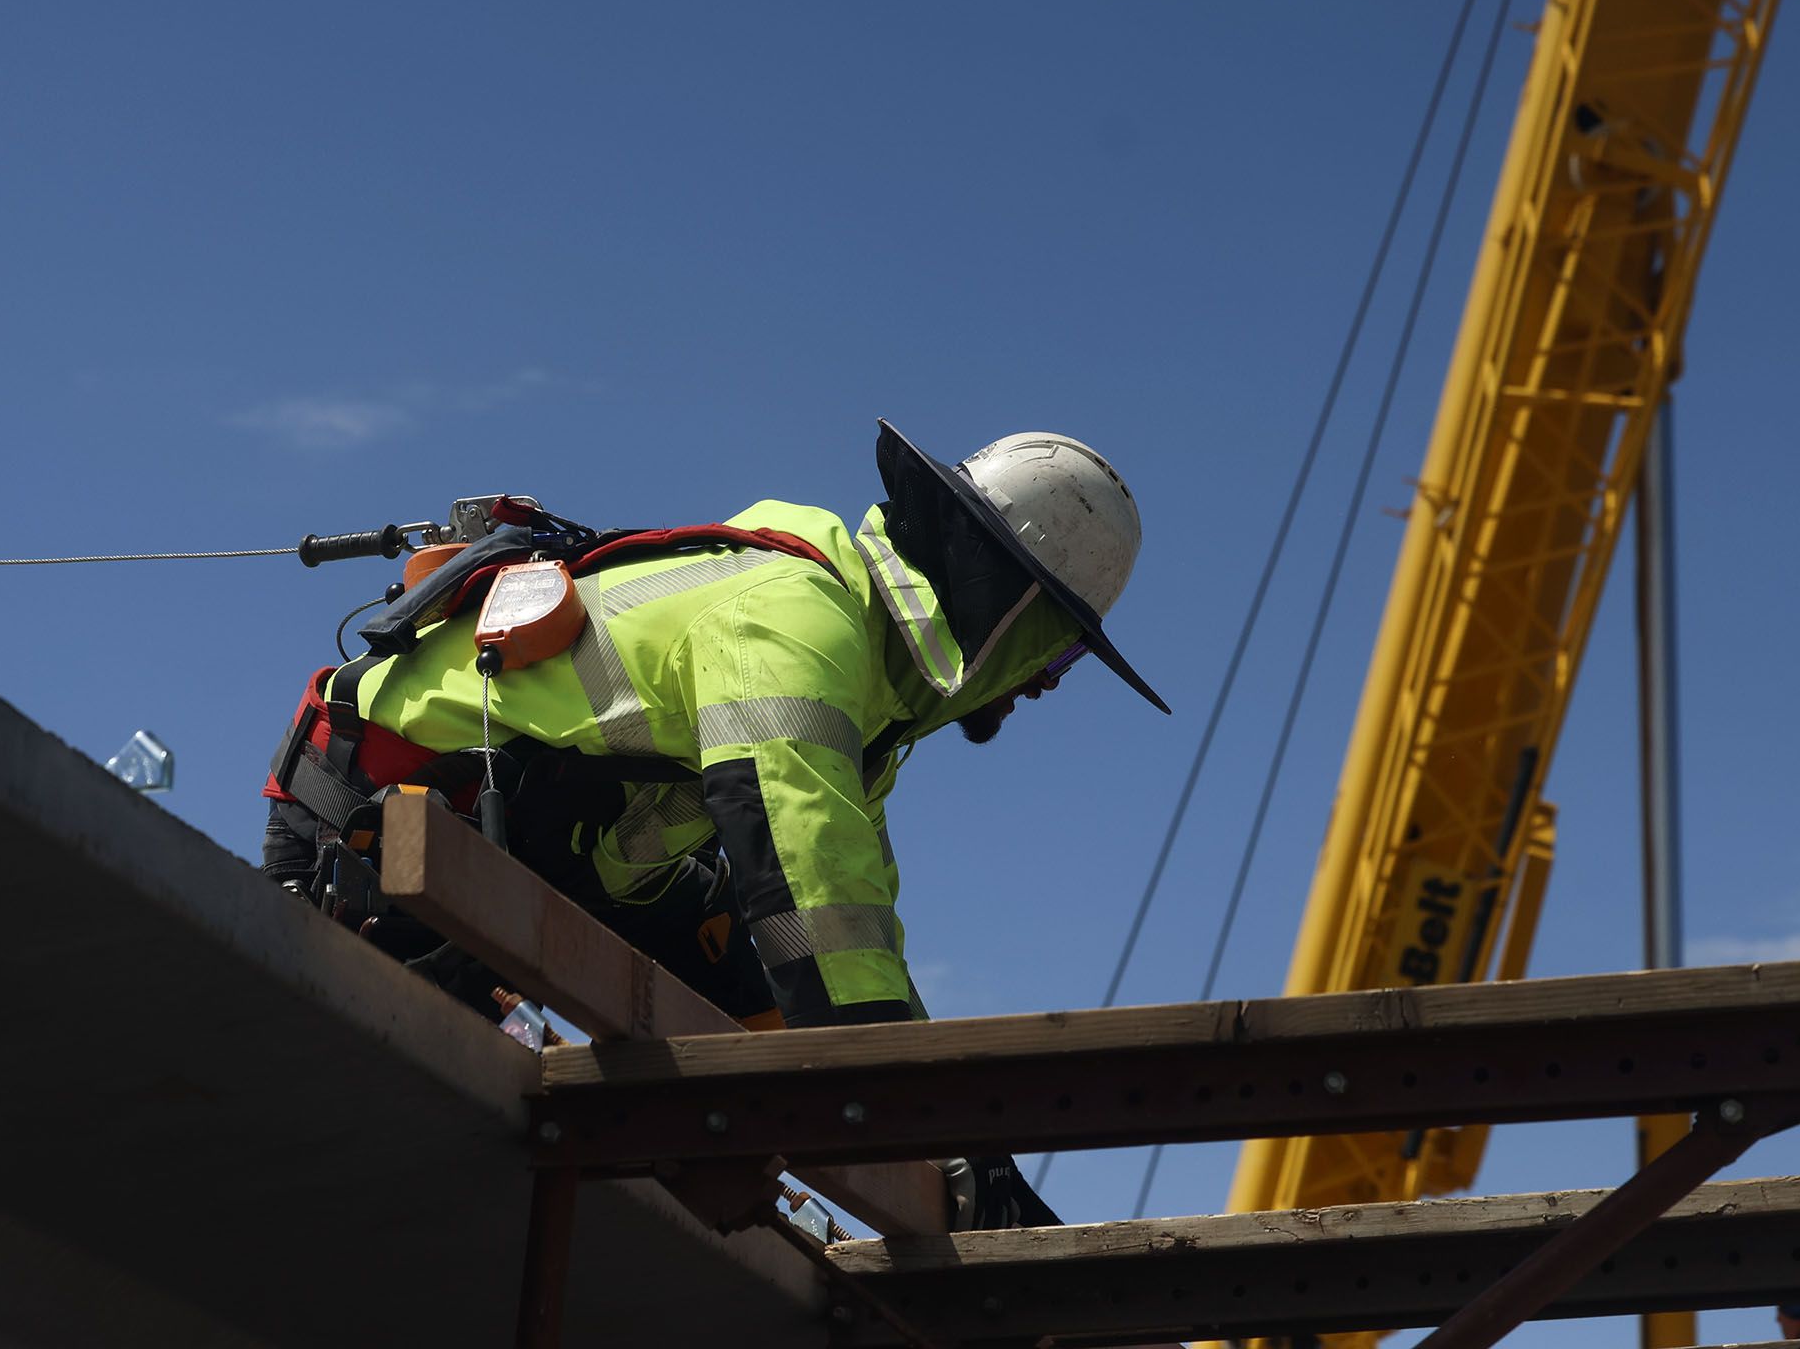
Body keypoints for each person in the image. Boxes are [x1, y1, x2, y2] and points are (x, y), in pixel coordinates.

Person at [260, 420, 1165, 1230]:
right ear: (1003, 596)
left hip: (557, 852)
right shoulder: (794, 619)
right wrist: (917, 1119)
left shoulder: (875, 705)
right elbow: (805, 881)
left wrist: (965, 1145)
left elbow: (854, 932)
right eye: (1067, 643)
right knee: (435, 1109)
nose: (1055, 677)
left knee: (764, 976)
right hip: (384, 829)